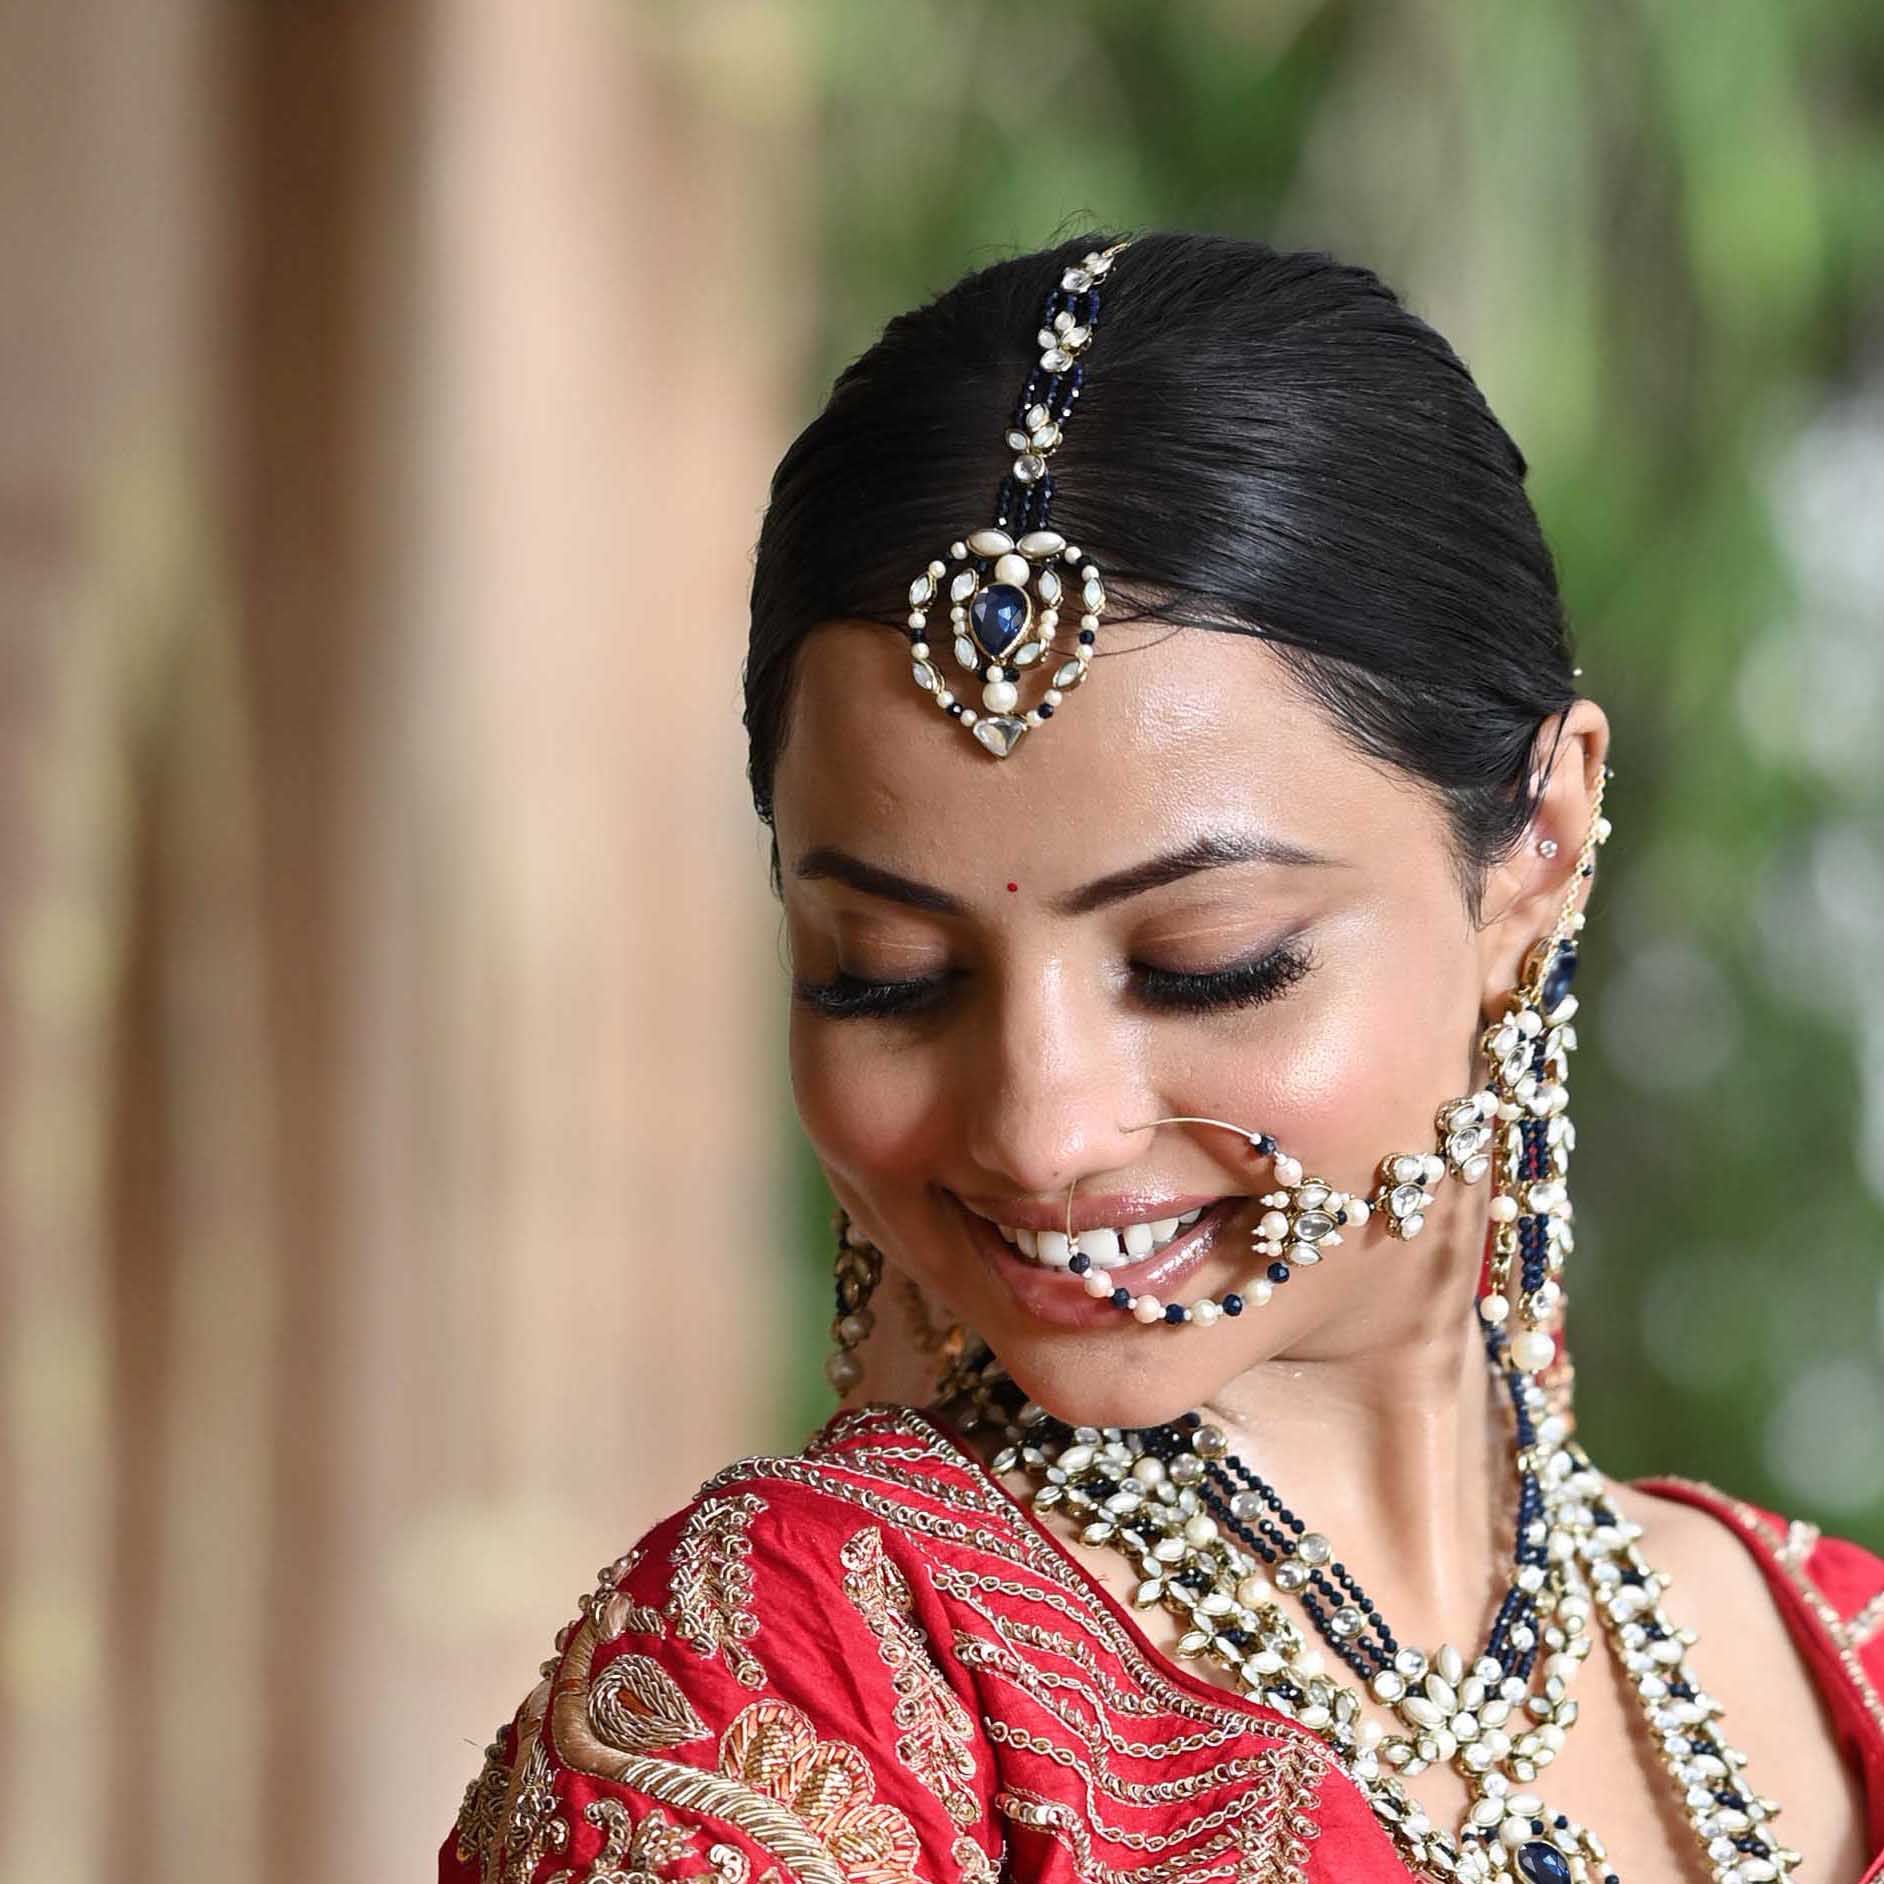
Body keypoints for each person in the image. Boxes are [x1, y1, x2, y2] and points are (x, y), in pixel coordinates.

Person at [441, 231, 1884, 1884]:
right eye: (886, 980)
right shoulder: (788, 1692)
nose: (1042, 1127)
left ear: (1537, 849)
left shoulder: (1842, 1658)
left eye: (1209, 966)